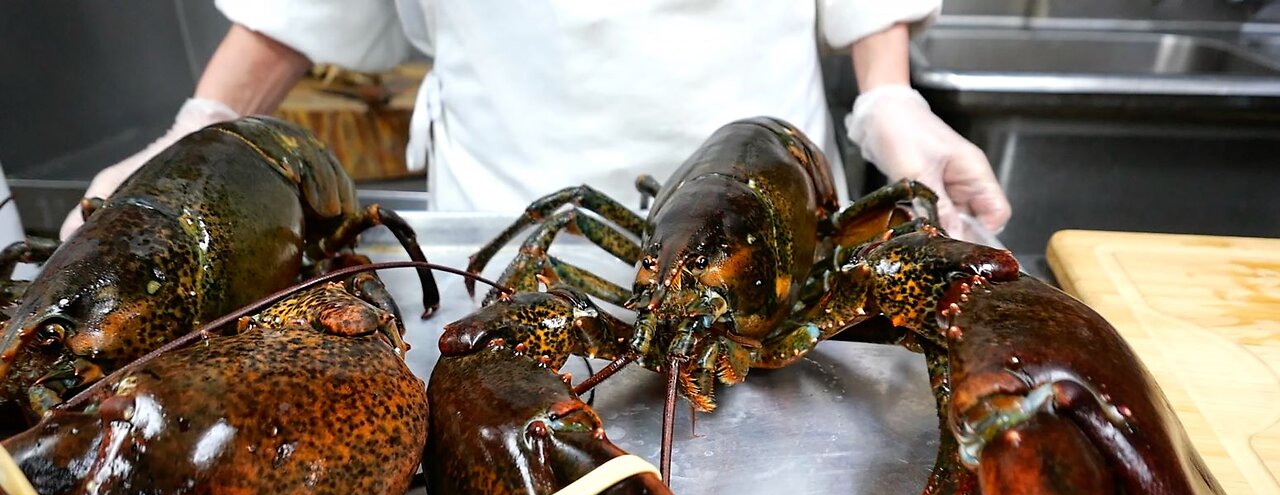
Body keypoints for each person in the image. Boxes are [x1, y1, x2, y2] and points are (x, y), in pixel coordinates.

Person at [61, 1, 1010, 243]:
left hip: (771, 212)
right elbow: (298, 10)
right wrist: (205, 127)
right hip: (511, 218)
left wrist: (888, 96)